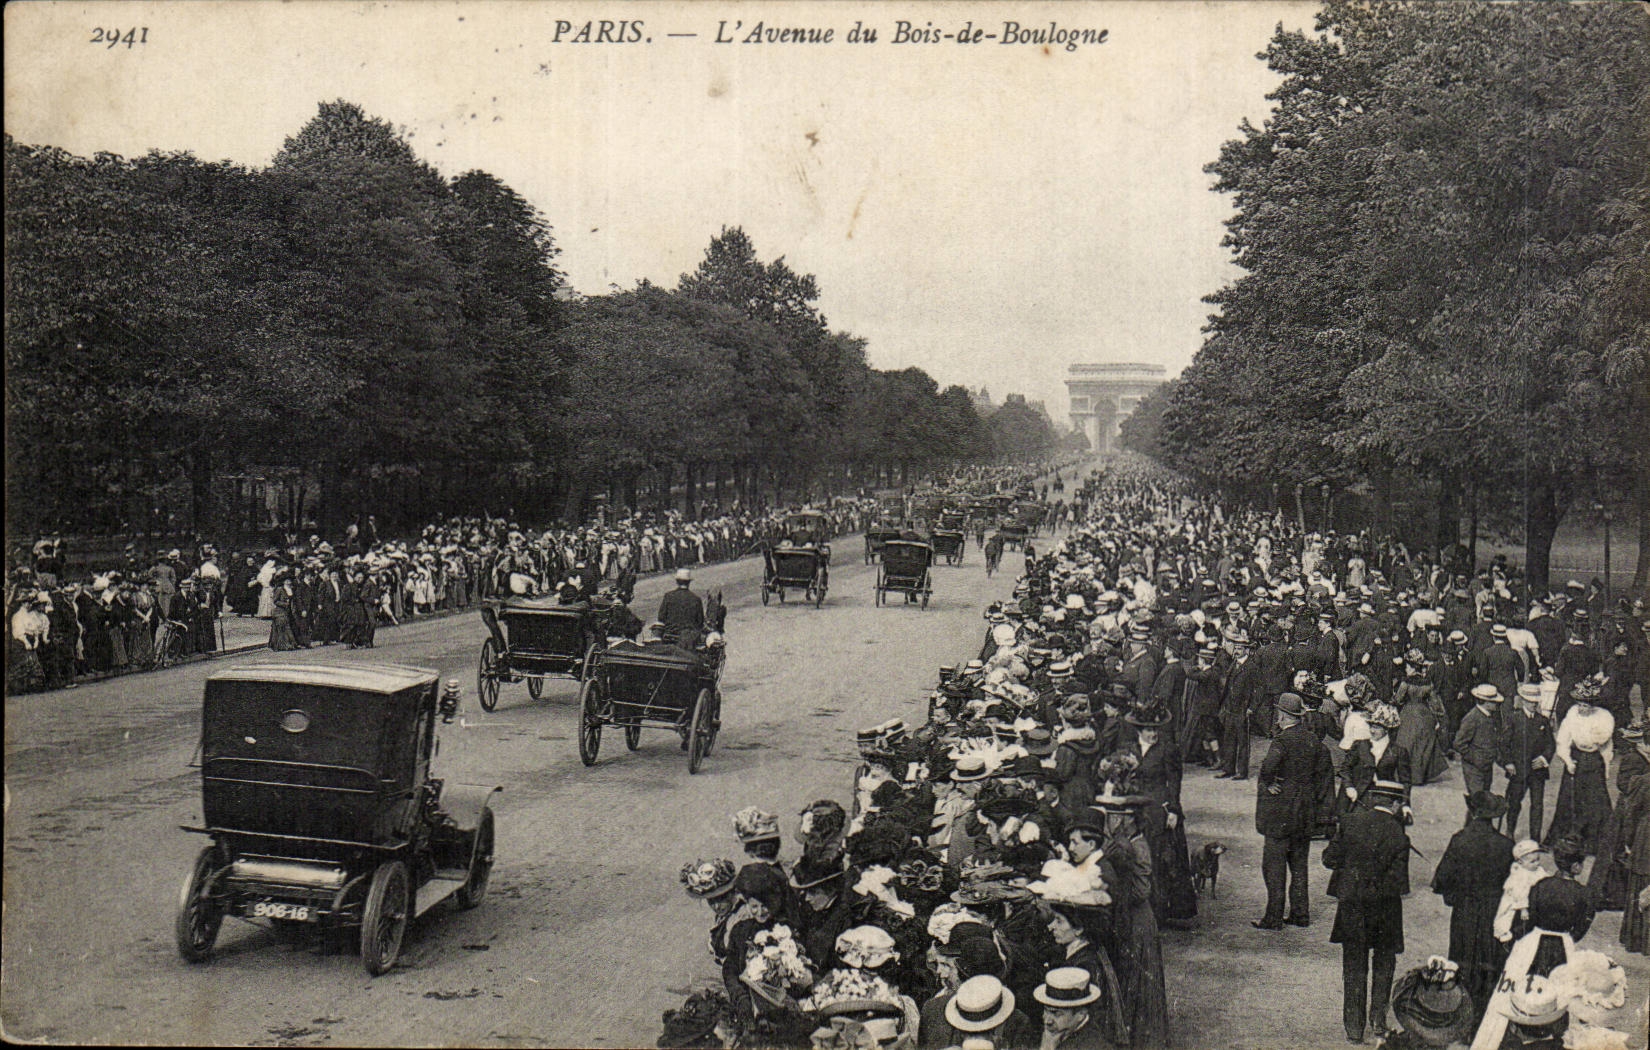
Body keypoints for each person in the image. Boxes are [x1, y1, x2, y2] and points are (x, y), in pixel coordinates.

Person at [1324, 779, 1411, 1044]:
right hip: (1385, 911)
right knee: (1384, 965)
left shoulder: (1350, 823)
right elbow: (1400, 884)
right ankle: (1378, 1020)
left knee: (1353, 967)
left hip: (1353, 907)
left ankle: (1353, 1028)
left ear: (1373, 799)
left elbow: (1329, 859)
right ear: (1395, 804)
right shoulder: (1399, 835)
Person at [1430, 791, 1514, 1020]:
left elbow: (1441, 879)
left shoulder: (1460, 840)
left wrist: (1453, 894)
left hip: (1465, 911)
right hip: (1493, 912)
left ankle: (1461, 1017)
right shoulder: (1506, 845)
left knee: (1462, 961)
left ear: (1473, 811)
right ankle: (1487, 1018)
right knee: (1490, 963)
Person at [1254, 693, 1331, 930]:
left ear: (1283, 716)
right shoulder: (1314, 741)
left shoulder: (1281, 742)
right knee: (1299, 865)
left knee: (1274, 866)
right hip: (1304, 812)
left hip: (1280, 814)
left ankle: (1273, 916)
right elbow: (1324, 777)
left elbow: (1268, 768)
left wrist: (1269, 782)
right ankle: (1300, 913)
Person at [1542, 679, 1615, 860]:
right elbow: (1563, 738)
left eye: (1585, 705)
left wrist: (1589, 742)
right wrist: (1568, 761)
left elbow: (1602, 740)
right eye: (1580, 704)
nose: (1581, 708)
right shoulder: (1572, 714)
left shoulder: (1604, 717)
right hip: (1575, 759)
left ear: (1593, 705)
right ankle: (1567, 840)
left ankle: (1594, 844)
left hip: (1594, 761)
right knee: (1569, 799)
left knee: (1596, 801)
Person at [1500, 684, 1555, 842]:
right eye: (1530, 701)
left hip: (1537, 772)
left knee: (1537, 805)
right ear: (1523, 700)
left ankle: (1535, 839)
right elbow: (1504, 744)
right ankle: (1510, 832)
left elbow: (1550, 744)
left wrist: (1544, 759)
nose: (1534, 704)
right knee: (1514, 802)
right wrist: (1508, 763)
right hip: (1518, 770)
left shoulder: (1542, 720)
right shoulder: (1513, 718)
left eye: (1536, 702)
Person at [1454, 685, 1505, 796]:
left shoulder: (1490, 716)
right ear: (1485, 702)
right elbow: (1458, 743)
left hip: (1486, 767)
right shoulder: (1472, 718)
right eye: (1494, 702)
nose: (1497, 704)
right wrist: (1475, 758)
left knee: (1482, 801)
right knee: (1479, 801)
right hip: (1474, 769)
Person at [657, 567, 705, 645]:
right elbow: (700, 622)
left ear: (677, 581)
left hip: (670, 636)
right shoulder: (696, 599)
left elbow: (661, 618)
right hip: (689, 639)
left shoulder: (668, 596)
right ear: (689, 582)